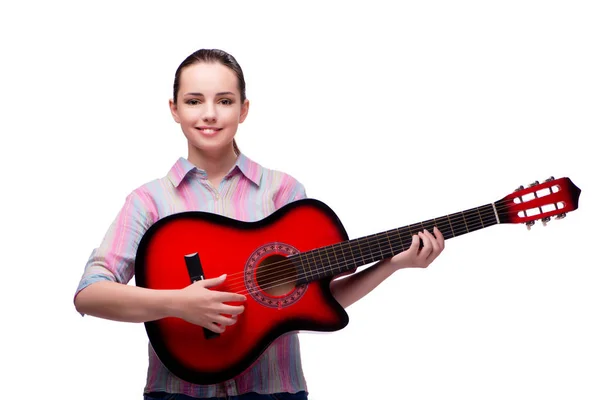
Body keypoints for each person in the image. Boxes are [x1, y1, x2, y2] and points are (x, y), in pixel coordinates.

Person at [73, 48, 446, 400]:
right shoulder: (148, 201)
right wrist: (179, 303)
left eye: (224, 100)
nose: (209, 114)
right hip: (176, 391)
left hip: (276, 391)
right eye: (193, 101)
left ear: (244, 108)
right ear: (173, 109)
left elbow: (319, 302)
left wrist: (394, 263)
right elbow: (89, 293)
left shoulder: (283, 192)